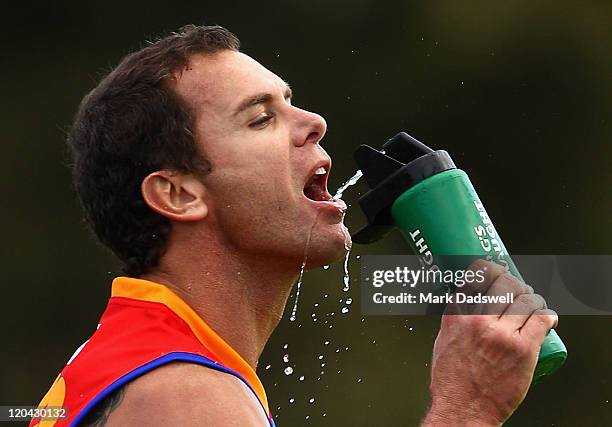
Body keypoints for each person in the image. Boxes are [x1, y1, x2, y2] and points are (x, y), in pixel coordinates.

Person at [31, 25, 558, 427]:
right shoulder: (185, 395)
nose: (314, 123)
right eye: (260, 118)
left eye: (290, 101)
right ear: (179, 193)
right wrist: (465, 409)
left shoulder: (148, 362)